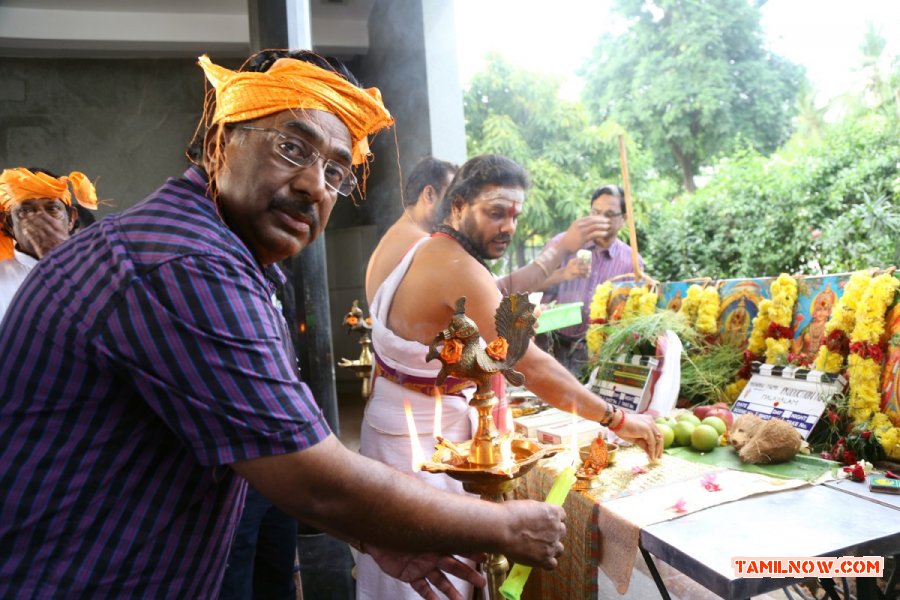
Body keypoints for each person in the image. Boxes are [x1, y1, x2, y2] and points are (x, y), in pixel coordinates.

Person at [0, 50, 569, 600]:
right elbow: (312, 475)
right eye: (292, 147)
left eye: (336, 171)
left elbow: (266, 443)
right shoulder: (186, 262)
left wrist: (372, 533)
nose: (315, 186)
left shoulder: (218, 253)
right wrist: (503, 527)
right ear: (222, 144)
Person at [359, 154, 663, 599]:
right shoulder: (455, 265)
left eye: (515, 215)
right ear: (457, 206)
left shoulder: (433, 252)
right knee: (427, 580)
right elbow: (531, 364)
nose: (508, 226)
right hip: (419, 444)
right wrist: (619, 419)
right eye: (495, 212)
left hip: (412, 428)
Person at [540, 184, 643, 374]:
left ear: (623, 219)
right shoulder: (562, 243)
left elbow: (631, 316)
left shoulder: (632, 262)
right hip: (549, 345)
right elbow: (529, 285)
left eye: (610, 214)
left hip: (596, 353)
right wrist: (562, 274)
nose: (601, 219)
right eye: (596, 212)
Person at [0, 167, 98, 321]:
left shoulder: (98, 268)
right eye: (25, 211)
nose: (40, 218)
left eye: (52, 208)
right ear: (8, 225)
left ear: (71, 219)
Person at [365, 156, 458, 302]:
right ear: (429, 194)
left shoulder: (392, 237)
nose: (455, 208)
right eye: (451, 198)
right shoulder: (424, 245)